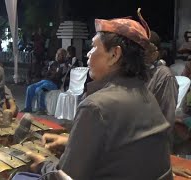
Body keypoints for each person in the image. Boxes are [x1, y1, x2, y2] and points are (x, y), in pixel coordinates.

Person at [25, 9, 172, 179]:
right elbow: (126, 148)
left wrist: (43, 165)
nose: (88, 54)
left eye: (94, 47)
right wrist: (71, 143)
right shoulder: (145, 95)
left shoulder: (96, 106)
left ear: (114, 54)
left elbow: (66, 177)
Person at [22, 48, 67, 114]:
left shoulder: (64, 66)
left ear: (63, 56)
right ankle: (28, 108)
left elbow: (57, 76)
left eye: (59, 54)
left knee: (39, 90)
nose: (57, 55)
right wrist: (51, 72)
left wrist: (50, 73)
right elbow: (43, 72)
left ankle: (42, 109)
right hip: (45, 81)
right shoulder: (52, 63)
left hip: (54, 84)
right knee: (30, 88)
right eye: (57, 53)